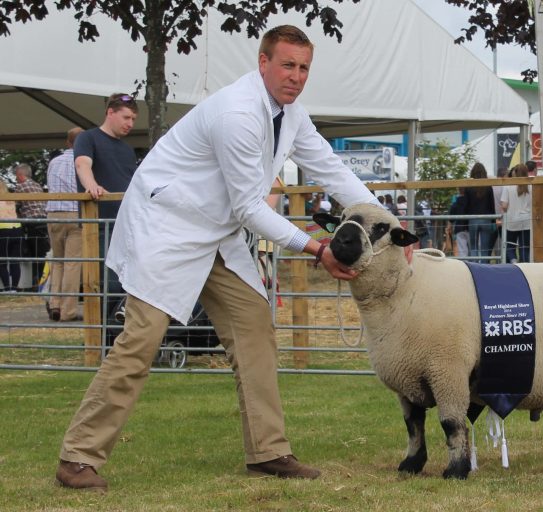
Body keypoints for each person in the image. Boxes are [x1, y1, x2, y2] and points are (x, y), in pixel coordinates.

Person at [55, 25, 381, 491]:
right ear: (263, 62)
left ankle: (268, 451)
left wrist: (383, 219)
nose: (296, 76)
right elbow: (250, 207)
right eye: (287, 64)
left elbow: (330, 168)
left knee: (254, 329)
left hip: (215, 232)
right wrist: (315, 247)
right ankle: (78, 457)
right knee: (141, 341)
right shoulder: (237, 113)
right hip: (167, 227)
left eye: (304, 67)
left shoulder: (291, 114)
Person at [74, 92, 138, 315]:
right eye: (126, 117)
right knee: (106, 283)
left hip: (126, 224)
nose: (130, 124)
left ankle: (115, 335)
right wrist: (92, 185)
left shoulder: (127, 150)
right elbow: (83, 164)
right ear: (110, 113)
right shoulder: (88, 138)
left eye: (133, 120)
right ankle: (101, 337)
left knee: (125, 282)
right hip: (100, 224)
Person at [46, 127, 84, 321]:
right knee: (72, 263)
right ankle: (68, 310)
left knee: (57, 261)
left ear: (68, 143)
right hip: (75, 213)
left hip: (53, 213)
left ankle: (54, 303)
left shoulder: (54, 162)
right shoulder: (84, 162)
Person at [14, 163, 50, 288]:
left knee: (34, 255)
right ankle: (41, 282)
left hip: (31, 223)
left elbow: (15, 205)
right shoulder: (37, 185)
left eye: (16, 176)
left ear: (20, 175)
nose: (15, 179)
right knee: (42, 254)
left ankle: (36, 284)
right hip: (44, 221)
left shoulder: (21, 186)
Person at [500, 163, 532, 263]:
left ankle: (513, 261)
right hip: (526, 221)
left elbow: (504, 206)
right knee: (524, 248)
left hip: (512, 220)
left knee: (510, 245)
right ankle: (525, 267)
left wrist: (505, 210)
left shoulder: (508, 186)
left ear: (514, 173)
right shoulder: (531, 186)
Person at [465, 162, 496, 259]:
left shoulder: (469, 187)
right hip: (486, 219)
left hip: (472, 219)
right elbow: (492, 205)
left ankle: (474, 268)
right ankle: (484, 268)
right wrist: (493, 220)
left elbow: (466, 205)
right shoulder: (488, 187)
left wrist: (465, 221)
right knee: (485, 248)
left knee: (473, 247)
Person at [0, 181, 23, 292]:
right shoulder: (11, 199)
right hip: (17, 229)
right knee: (15, 261)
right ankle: (14, 288)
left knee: (2, 261)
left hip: (3, 230)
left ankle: (7, 287)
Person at [448, 188, 469, 258]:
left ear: (459, 191)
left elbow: (451, 217)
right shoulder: (471, 201)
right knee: (474, 249)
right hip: (470, 227)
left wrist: (449, 226)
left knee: (462, 251)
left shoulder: (456, 202)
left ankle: (465, 265)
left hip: (459, 228)